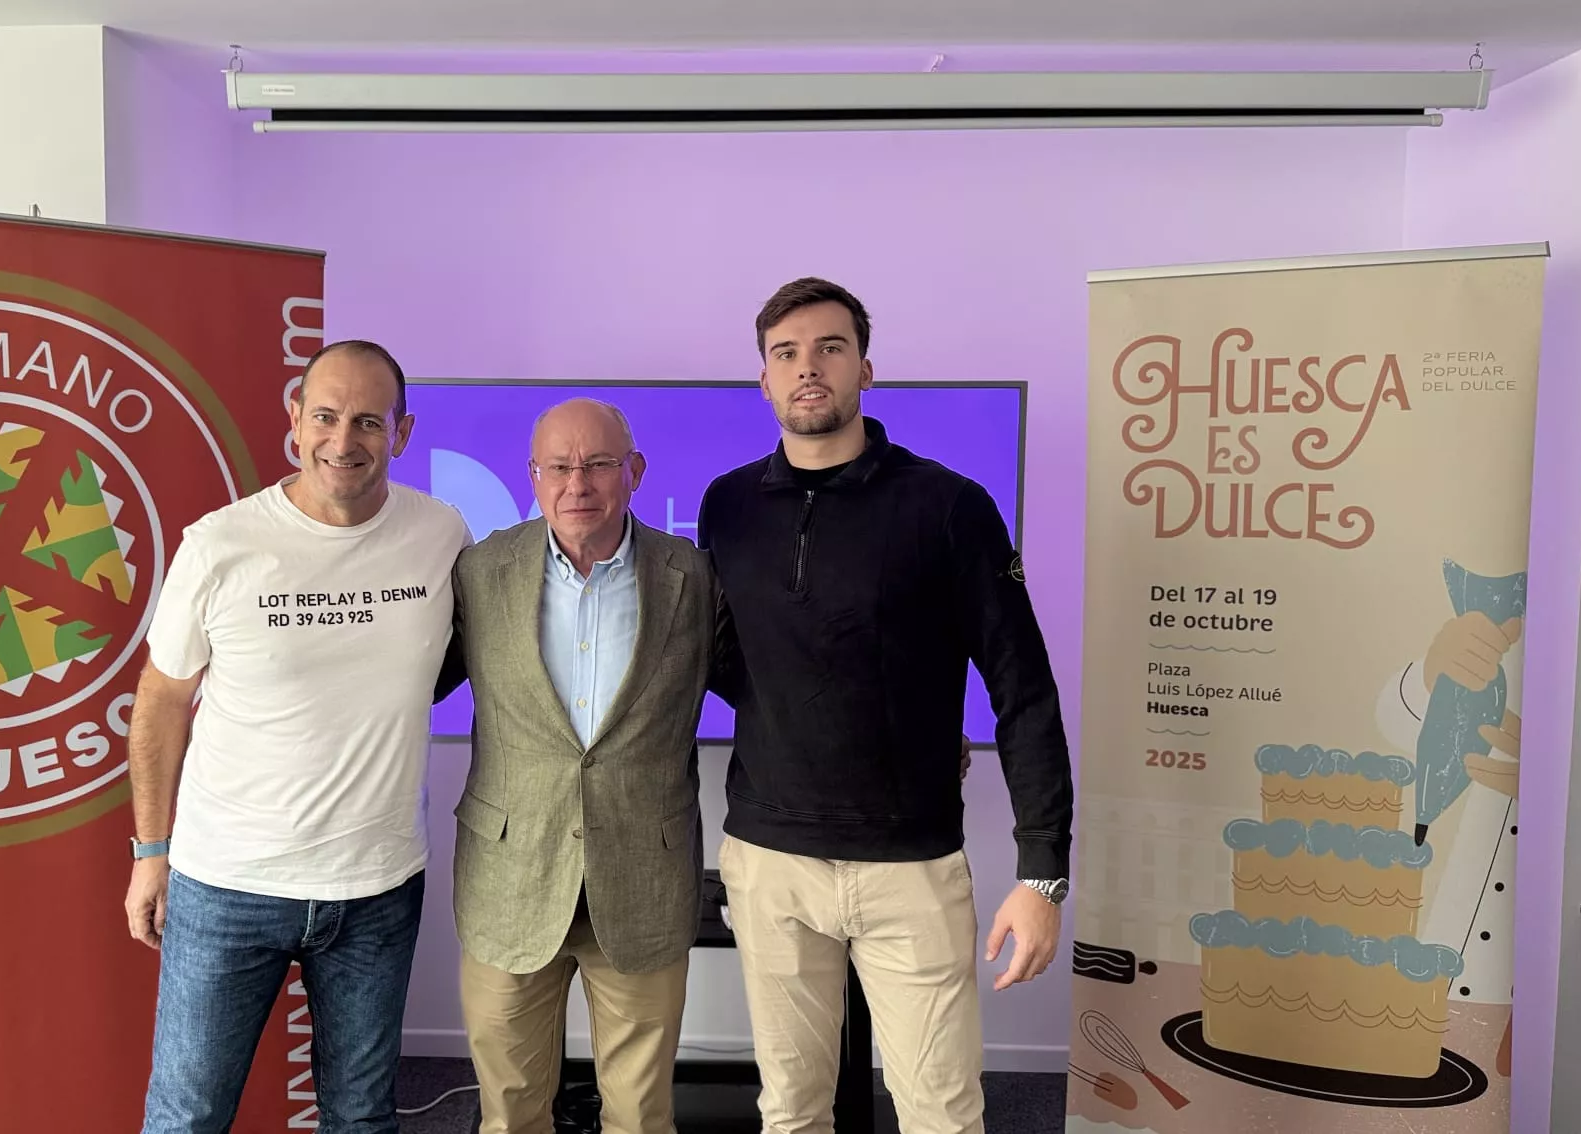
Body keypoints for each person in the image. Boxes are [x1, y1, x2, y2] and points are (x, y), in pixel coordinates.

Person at [698, 278, 1074, 1134]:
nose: (808, 368)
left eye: (830, 348)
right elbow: (728, 660)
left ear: (865, 368)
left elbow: (1023, 691)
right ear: (764, 379)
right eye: (786, 353)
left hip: (910, 867)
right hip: (770, 861)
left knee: (942, 1115)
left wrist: (1042, 873)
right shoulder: (727, 506)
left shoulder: (949, 506)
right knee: (791, 1113)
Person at [125, 340, 472, 1134]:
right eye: (325, 416)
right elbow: (161, 703)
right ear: (294, 418)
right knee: (187, 1116)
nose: (343, 441)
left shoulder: (441, 533)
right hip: (226, 883)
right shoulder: (221, 544)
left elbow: (458, 660)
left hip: (377, 884)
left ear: (403, 431)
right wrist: (150, 853)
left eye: (368, 422)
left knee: (361, 1117)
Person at [440, 398, 716, 1134]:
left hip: (644, 880)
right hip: (510, 880)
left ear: (635, 471)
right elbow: (409, 679)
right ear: (533, 474)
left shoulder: (692, 576)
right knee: (510, 1114)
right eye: (558, 466)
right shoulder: (481, 571)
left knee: (641, 1117)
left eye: (597, 464)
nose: (577, 483)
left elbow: (772, 684)